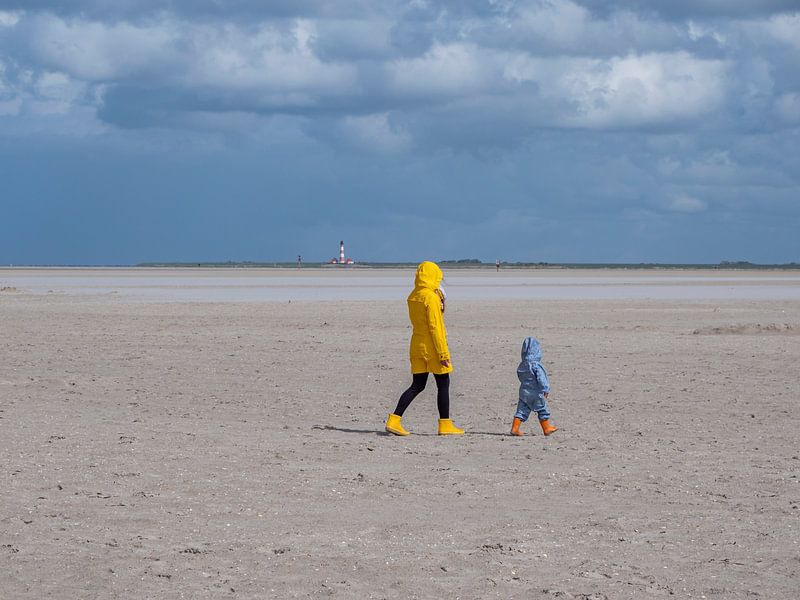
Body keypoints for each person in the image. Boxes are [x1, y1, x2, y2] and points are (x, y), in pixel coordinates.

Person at [385, 261, 465, 436]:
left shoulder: (413, 295)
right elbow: (436, 327)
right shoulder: (431, 297)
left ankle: (394, 419)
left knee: (417, 385)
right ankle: (445, 424)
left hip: (416, 345)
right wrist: (443, 353)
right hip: (433, 347)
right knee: (443, 384)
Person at [510, 337, 558, 436]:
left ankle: (515, 428)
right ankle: (546, 428)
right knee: (542, 409)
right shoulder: (536, 365)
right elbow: (541, 378)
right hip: (535, 392)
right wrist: (545, 388)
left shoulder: (522, 365)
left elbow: (520, 375)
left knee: (522, 409)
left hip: (524, 391)